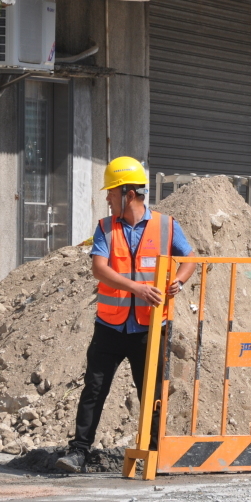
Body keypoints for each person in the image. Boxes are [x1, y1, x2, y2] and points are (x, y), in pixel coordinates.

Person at [56, 157, 197, 473]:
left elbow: (190, 259)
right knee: (94, 389)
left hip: (149, 327)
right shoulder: (106, 228)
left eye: (111, 192)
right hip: (110, 326)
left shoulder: (166, 226)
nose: (107, 198)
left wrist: (179, 281)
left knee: (152, 393)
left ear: (127, 193)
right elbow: (99, 269)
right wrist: (136, 288)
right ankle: (78, 452)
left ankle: (155, 452)